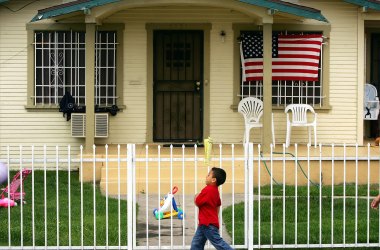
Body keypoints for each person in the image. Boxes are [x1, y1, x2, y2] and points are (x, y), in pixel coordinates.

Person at [191, 167, 233, 250]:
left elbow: (198, 202)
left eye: (208, 175)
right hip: (206, 224)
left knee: (219, 243)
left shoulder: (207, 190)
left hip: (207, 224)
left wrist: (196, 196)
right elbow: (218, 205)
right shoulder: (215, 191)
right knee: (196, 244)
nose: (206, 176)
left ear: (213, 180)